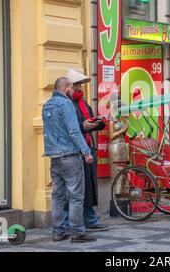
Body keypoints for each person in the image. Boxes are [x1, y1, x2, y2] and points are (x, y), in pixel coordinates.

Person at [42, 77, 96, 243]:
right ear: (65, 87)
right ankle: (78, 232)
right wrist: (86, 152)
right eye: (71, 87)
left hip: (54, 157)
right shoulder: (66, 105)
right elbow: (74, 131)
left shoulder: (47, 105)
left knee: (58, 196)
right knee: (75, 196)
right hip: (70, 157)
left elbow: (48, 132)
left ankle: (58, 231)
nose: (73, 90)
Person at [63, 69, 109, 232]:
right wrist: (83, 127)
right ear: (68, 86)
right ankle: (71, 223)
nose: (79, 88)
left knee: (89, 187)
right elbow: (69, 129)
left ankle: (90, 219)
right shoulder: (66, 104)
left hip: (87, 148)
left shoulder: (83, 103)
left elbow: (87, 122)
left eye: (80, 84)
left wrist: (98, 123)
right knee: (76, 188)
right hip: (75, 150)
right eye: (76, 84)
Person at [108, 102, 129, 215]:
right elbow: (111, 136)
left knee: (124, 170)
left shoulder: (123, 120)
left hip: (122, 145)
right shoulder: (112, 120)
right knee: (116, 169)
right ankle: (116, 194)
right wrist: (123, 130)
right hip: (115, 146)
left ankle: (123, 193)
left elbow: (125, 134)